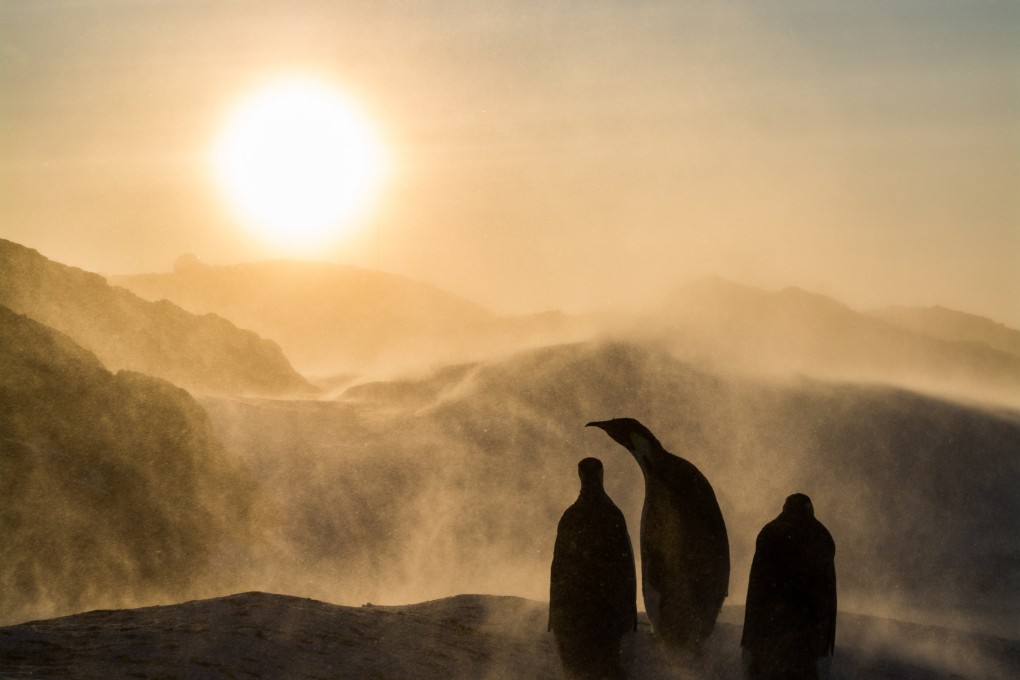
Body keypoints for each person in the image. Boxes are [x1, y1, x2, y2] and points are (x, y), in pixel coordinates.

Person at [549, 457, 637, 680]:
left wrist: (557, 616)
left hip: (578, 615)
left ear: (580, 476)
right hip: (606, 615)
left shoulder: (571, 517)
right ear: (601, 475)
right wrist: (628, 615)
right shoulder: (612, 515)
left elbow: (558, 570)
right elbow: (626, 569)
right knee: (607, 668)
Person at [742, 493, 837, 680]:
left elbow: (756, 588)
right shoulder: (821, 536)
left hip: (770, 631)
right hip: (807, 636)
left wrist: (750, 637)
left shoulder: (769, 533)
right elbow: (828, 594)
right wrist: (826, 642)